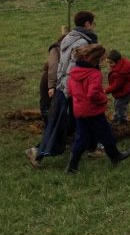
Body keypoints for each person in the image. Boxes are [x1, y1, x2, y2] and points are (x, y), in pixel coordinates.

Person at [28, 11, 100, 167]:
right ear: (87, 24)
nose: (94, 26)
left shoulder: (69, 37)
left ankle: (92, 147)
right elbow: (74, 68)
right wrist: (71, 89)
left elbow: (62, 65)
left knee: (80, 119)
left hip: (64, 85)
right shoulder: (81, 43)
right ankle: (36, 151)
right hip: (72, 88)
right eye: (93, 23)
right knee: (60, 122)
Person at [65, 44, 130, 173]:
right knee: (106, 134)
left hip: (79, 110)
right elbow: (93, 94)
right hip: (93, 111)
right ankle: (115, 156)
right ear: (95, 60)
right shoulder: (94, 74)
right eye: (101, 59)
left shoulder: (74, 71)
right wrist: (103, 99)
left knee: (81, 137)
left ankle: (72, 166)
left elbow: (70, 90)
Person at [104, 49, 130, 126]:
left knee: (120, 105)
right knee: (117, 103)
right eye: (107, 63)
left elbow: (116, 85)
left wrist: (106, 91)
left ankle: (123, 121)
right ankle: (116, 118)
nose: (109, 65)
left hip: (126, 91)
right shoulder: (121, 65)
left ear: (118, 62)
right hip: (125, 88)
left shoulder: (120, 73)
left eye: (111, 63)